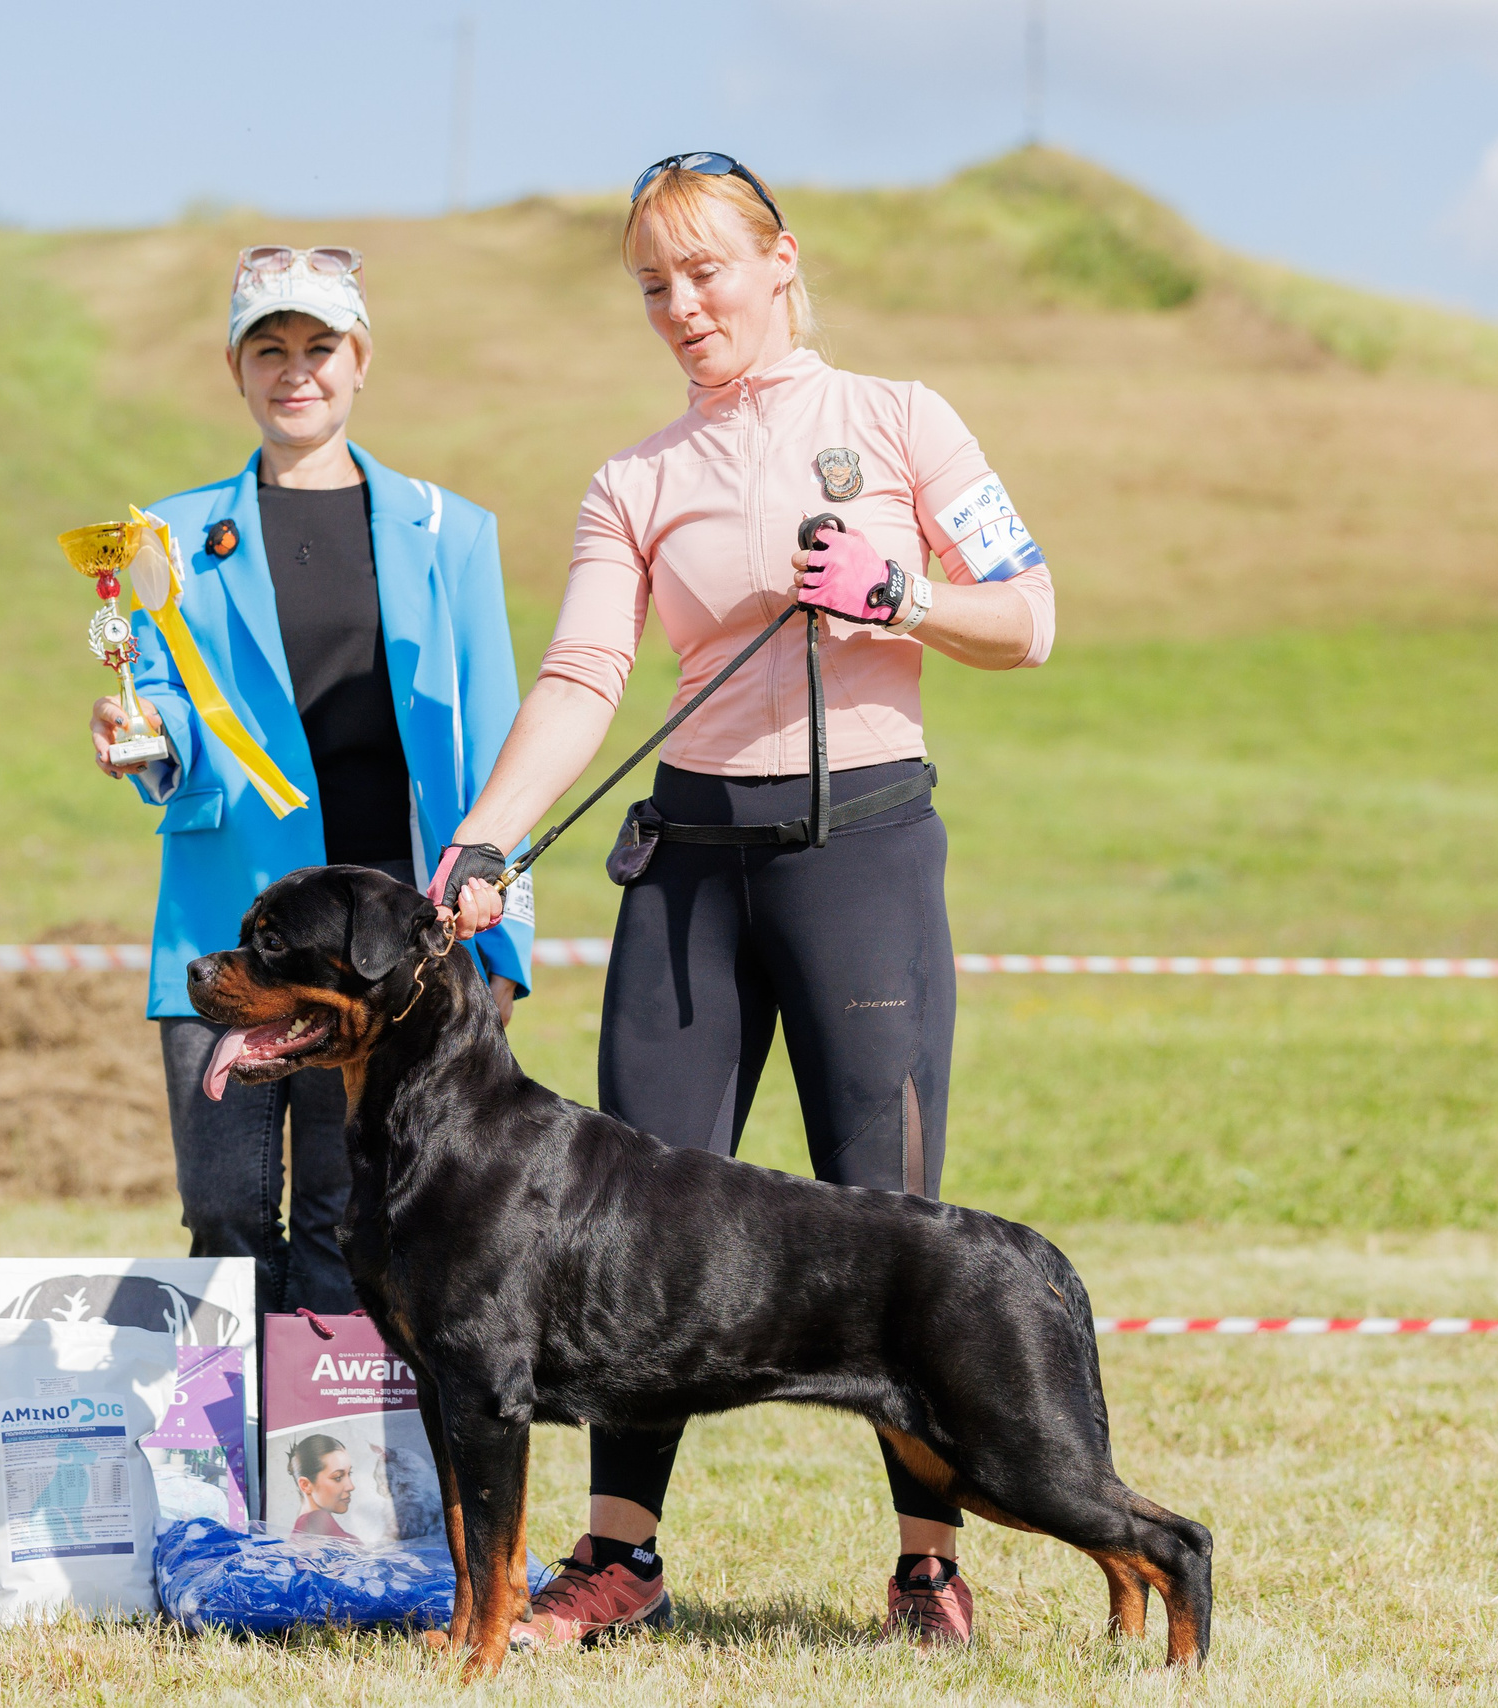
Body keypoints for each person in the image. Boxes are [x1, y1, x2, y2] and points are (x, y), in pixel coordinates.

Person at [434, 154, 1056, 1651]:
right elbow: (585, 679)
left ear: (782, 260)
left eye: (706, 271)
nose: (681, 305)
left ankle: (924, 1564)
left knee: (886, 1205)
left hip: (863, 851)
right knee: (630, 1213)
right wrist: (484, 838)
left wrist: (899, 596)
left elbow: (1028, 620)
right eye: (653, 283)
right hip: (692, 865)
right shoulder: (634, 479)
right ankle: (619, 1560)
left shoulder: (903, 420)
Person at [94, 244, 533, 1315]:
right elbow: (170, 708)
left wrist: (504, 947)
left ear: (360, 359)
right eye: (270, 347)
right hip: (228, 925)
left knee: (357, 1222)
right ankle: (227, 1464)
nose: (297, 370)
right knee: (227, 1213)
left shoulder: (452, 533)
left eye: (319, 346)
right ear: (235, 368)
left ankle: (333, 1474)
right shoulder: (167, 537)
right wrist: (145, 737)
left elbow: (499, 745)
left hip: (392, 946)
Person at [286, 1434, 358, 1539]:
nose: (351, 1486)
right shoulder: (316, 1521)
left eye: (349, 1474)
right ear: (305, 1485)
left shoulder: (304, 1527)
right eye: (338, 1477)